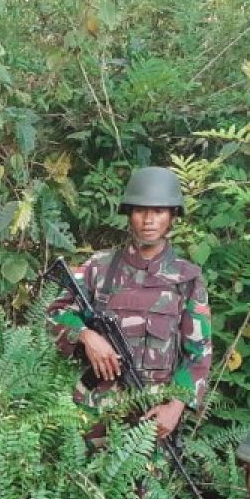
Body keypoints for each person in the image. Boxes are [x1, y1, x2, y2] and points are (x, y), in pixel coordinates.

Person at [47, 165, 211, 441]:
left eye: (158, 211)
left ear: (172, 217)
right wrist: (86, 336)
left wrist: (176, 407)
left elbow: (198, 354)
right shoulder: (98, 268)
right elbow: (56, 314)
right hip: (93, 413)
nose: (148, 220)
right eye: (140, 211)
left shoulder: (187, 280)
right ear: (129, 215)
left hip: (153, 418)